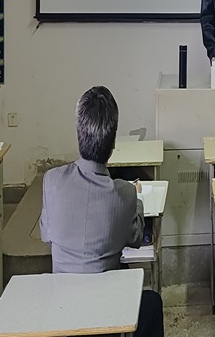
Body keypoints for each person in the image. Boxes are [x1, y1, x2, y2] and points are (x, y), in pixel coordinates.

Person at [40, 86, 164, 337]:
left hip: (63, 317)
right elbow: (136, 237)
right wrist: (138, 197)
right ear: (113, 142)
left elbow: (46, 234)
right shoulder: (123, 194)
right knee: (152, 302)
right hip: (107, 318)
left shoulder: (51, 181)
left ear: (78, 133)